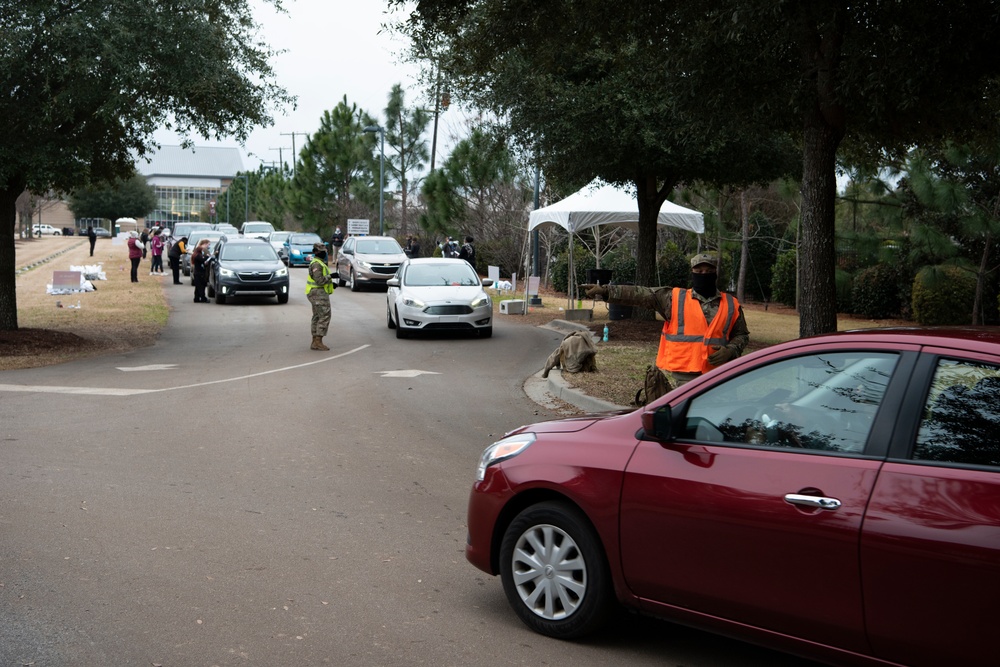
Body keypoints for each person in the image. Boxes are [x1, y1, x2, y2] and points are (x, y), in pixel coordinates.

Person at [581, 252, 750, 387]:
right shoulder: (674, 298)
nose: (703, 275)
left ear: (715, 274)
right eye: (699, 272)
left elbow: (741, 334)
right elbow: (641, 294)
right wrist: (605, 291)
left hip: (721, 375)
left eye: (708, 272)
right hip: (685, 377)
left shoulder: (730, 303)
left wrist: (731, 350)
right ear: (692, 273)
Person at [306, 242, 337, 350]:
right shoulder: (316, 264)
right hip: (317, 294)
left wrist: (332, 285)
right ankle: (318, 341)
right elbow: (319, 280)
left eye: (324, 251)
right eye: (321, 251)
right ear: (315, 252)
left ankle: (315, 341)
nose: (323, 253)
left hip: (317, 292)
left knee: (317, 316)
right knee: (324, 316)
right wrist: (330, 276)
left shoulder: (319, 262)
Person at [191, 238, 211, 303]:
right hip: (199, 273)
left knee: (198, 286)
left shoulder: (197, 255)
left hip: (198, 272)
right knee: (201, 286)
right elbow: (202, 259)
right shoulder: (197, 256)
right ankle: (203, 298)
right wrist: (207, 257)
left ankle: (196, 298)